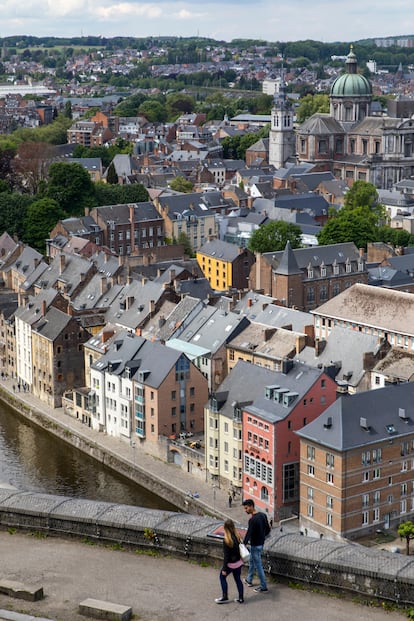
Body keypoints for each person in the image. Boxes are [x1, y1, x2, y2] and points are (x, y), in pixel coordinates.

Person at [242, 499, 270, 593]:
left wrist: (242, 545)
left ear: (251, 506)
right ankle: (249, 580)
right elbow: (268, 530)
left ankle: (263, 586)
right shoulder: (263, 515)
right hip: (261, 543)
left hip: (255, 545)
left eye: (246, 508)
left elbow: (248, 534)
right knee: (252, 561)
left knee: (258, 566)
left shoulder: (252, 520)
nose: (245, 510)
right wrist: (262, 537)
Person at [214, 519, 244, 604]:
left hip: (231, 564)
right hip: (239, 563)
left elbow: (226, 557)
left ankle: (225, 597)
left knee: (222, 577)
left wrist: (224, 568)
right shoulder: (238, 536)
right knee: (238, 579)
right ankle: (241, 598)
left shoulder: (227, 540)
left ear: (225, 528)